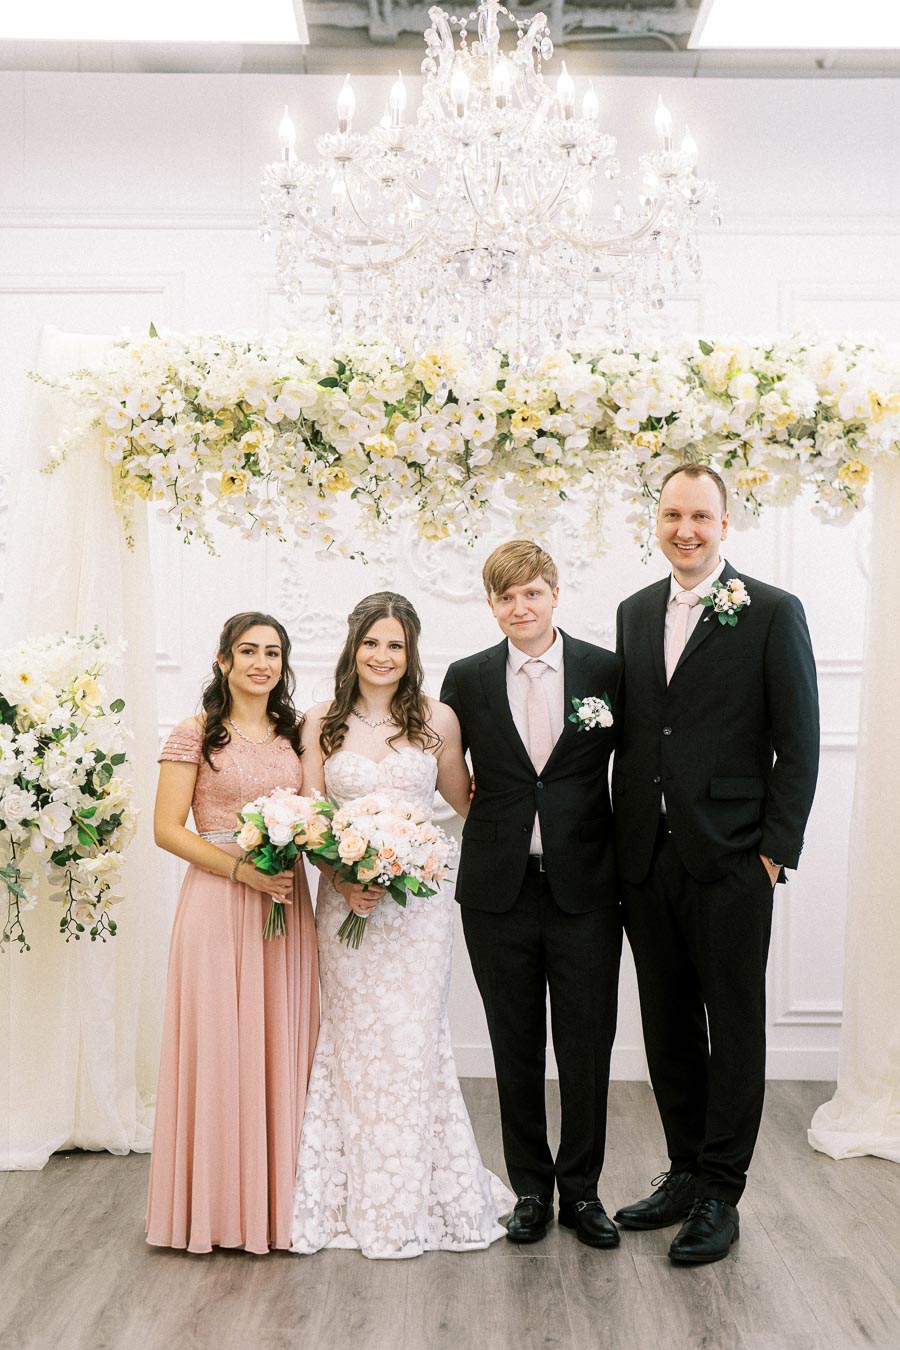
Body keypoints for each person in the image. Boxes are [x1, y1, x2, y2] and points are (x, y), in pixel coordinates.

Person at [612, 463, 819, 1265]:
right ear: (656, 521)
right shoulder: (633, 612)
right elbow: (641, 732)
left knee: (731, 1025)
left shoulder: (770, 611)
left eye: (700, 516)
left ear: (725, 524)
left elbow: (798, 743)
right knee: (665, 1023)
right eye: (672, 515)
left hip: (734, 859)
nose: (685, 530)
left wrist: (772, 854)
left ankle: (722, 1194)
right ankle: (685, 1171)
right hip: (647, 856)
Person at [290, 591, 513, 1259]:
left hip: (419, 912)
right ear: (352, 646)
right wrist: (342, 877)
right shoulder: (321, 720)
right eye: (372, 642)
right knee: (354, 1041)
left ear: (411, 653)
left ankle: (420, 1194)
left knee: (412, 1039)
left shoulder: (437, 719)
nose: (383, 655)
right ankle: (346, 1195)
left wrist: (536, 853)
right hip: (346, 907)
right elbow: (311, 815)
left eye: (396, 644)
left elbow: (469, 802)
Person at [441, 540, 623, 1249]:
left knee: (585, 1046)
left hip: (587, 890)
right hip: (497, 893)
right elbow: (449, 769)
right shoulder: (467, 678)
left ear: (554, 594)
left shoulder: (606, 671)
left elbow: (635, 764)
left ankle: (582, 1192)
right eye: (505, 596)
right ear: (491, 606)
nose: (520, 607)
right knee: (514, 1044)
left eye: (531, 593)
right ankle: (529, 1190)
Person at [146, 612, 319, 1254]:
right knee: (220, 1048)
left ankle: (279, 1210)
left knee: (278, 1045)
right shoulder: (196, 732)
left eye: (273, 652)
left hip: (285, 904)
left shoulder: (296, 734)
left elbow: (317, 811)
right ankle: (216, 1210)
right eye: (248, 651)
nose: (261, 663)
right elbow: (167, 829)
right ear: (224, 660)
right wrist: (243, 871)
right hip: (219, 903)